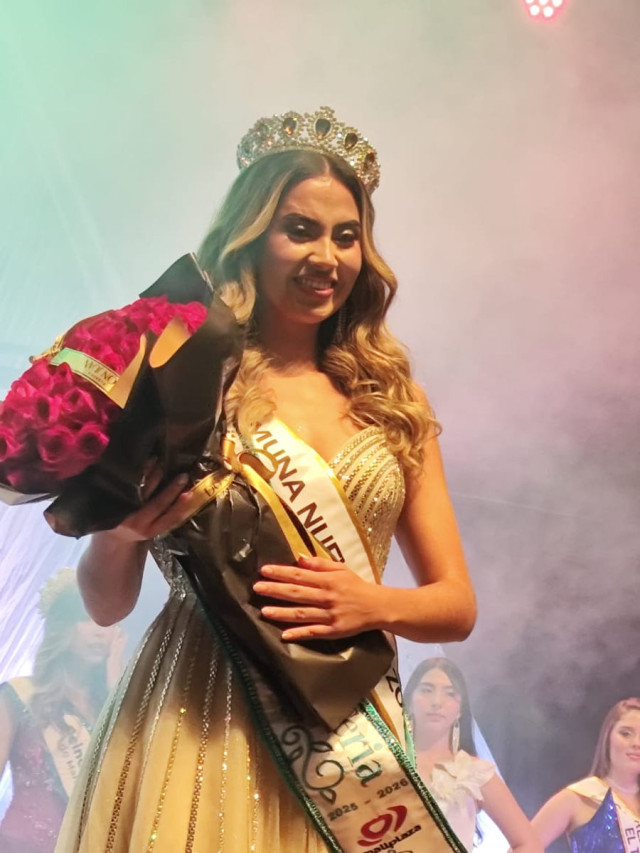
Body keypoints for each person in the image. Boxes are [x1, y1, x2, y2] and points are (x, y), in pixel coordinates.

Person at [55, 107, 478, 853]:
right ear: (250, 238)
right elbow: (105, 603)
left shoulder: (392, 402)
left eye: (346, 235)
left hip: (345, 729)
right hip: (198, 707)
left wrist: (371, 602)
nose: (326, 256)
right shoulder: (188, 380)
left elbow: (455, 605)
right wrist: (119, 534)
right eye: (300, 230)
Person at [0, 568, 122, 853]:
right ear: (63, 625)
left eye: (107, 622)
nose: (99, 631)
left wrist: (117, 688)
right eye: (86, 618)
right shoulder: (19, 695)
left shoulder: (112, 707)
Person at [404, 657, 542, 852]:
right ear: (409, 701)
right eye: (426, 690)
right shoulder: (386, 764)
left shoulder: (473, 772)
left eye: (450, 693)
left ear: (460, 710)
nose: (436, 702)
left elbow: (529, 843)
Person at [532, 698, 640, 852]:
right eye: (626, 733)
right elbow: (522, 847)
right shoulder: (579, 797)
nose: (636, 743)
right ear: (608, 737)